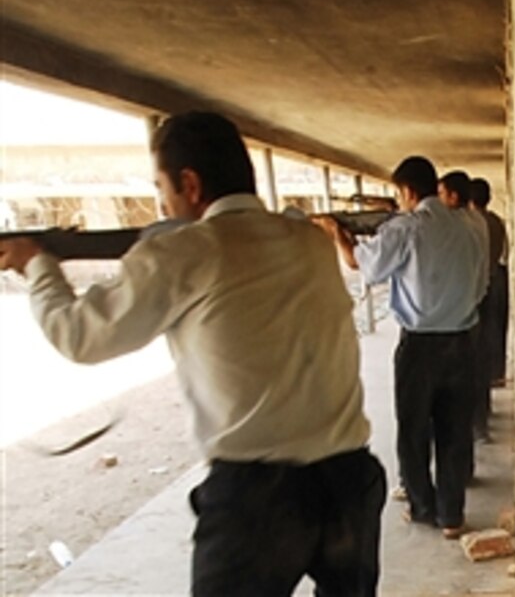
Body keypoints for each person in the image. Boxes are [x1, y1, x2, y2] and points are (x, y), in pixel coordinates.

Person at [0, 111, 385, 596]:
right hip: (349, 478)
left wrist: (37, 266)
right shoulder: (308, 241)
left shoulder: (183, 252)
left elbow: (79, 336)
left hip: (257, 500)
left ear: (190, 182)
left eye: (162, 187)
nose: (162, 203)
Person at [320, 157, 482, 539]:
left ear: (407, 191)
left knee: (414, 429)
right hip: (463, 339)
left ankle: (423, 506)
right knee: (455, 431)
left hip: (422, 345)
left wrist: (336, 233)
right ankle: (452, 516)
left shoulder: (407, 228)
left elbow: (364, 266)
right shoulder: (470, 225)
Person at [437, 170, 491, 442]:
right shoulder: (480, 221)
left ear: (454, 196)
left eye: (442, 194)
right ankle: (479, 425)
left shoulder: (460, 225)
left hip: (462, 312)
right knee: (478, 367)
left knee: (457, 388)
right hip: (478, 300)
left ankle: (476, 426)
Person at [468, 177, 509, 388]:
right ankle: (496, 374)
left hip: (477, 282)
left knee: (478, 336)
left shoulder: (468, 224)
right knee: (495, 329)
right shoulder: (496, 221)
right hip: (497, 278)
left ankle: (481, 381)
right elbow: (506, 252)